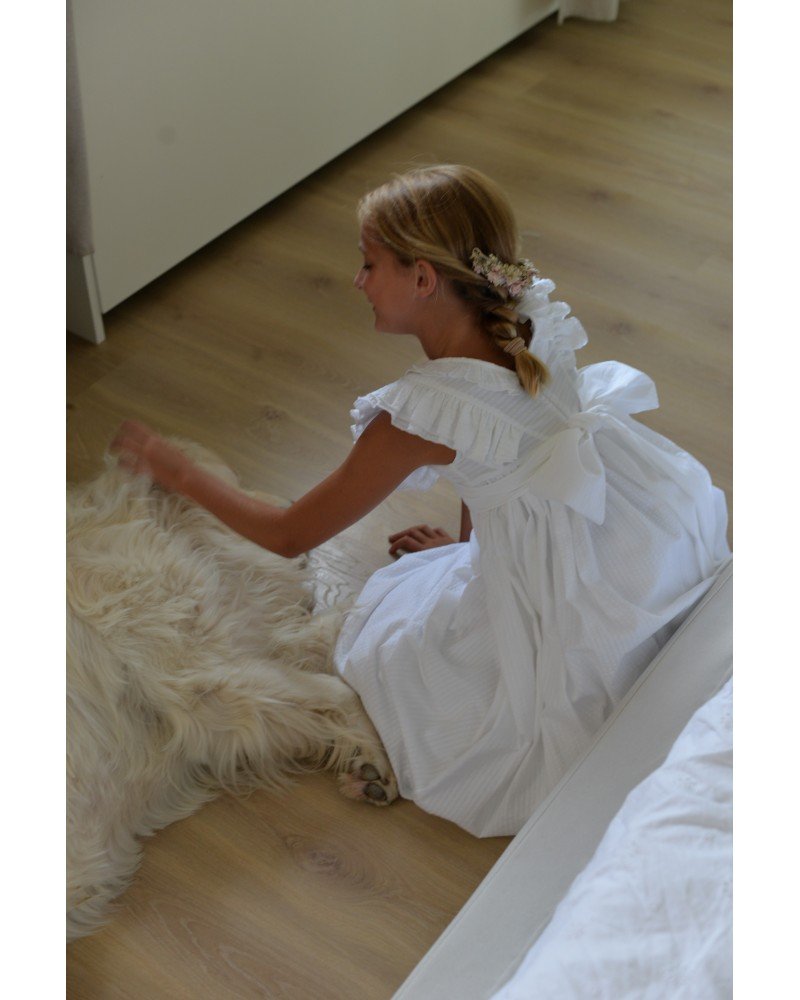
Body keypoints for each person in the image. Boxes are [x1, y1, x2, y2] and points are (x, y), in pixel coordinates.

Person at [112, 164, 730, 838]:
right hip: (628, 531)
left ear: (423, 279)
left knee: (398, 659)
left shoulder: (420, 414)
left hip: (566, 571)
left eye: (368, 263)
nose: (357, 281)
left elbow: (290, 536)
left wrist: (178, 470)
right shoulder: (526, 318)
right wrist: (471, 549)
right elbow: (493, 457)